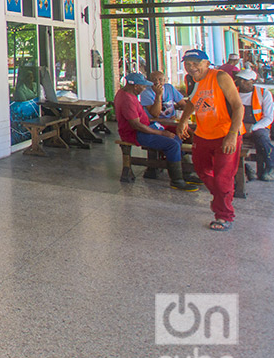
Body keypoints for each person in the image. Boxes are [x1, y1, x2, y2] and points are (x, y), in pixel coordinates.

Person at [175, 48, 245, 231]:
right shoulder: (191, 80)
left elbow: (238, 107)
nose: (191, 67)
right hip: (203, 134)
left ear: (207, 63)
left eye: (196, 63)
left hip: (225, 134)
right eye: (188, 64)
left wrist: (232, 135)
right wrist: (183, 121)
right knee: (202, 170)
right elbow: (192, 101)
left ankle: (223, 215)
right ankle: (222, 197)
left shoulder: (220, 77)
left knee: (223, 177)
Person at [114, 73, 199, 191]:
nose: (144, 89)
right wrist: (161, 133)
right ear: (136, 86)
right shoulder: (127, 99)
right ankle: (177, 180)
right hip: (134, 133)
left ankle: (184, 173)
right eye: (143, 86)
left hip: (146, 127)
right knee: (172, 144)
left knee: (177, 138)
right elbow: (136, 125)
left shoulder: (129, 94)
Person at [234, 68, 274, 182]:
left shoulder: (263, 94)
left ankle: (271, 166)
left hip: (258, 126)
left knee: (262, 139)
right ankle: (244, 169)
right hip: (238, 126)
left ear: (252, 81)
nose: (242, 83)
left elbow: (268, 117)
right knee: (230, 142)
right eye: (240, 80)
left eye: (245, 81)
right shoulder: (233, 92)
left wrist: (252, 128)